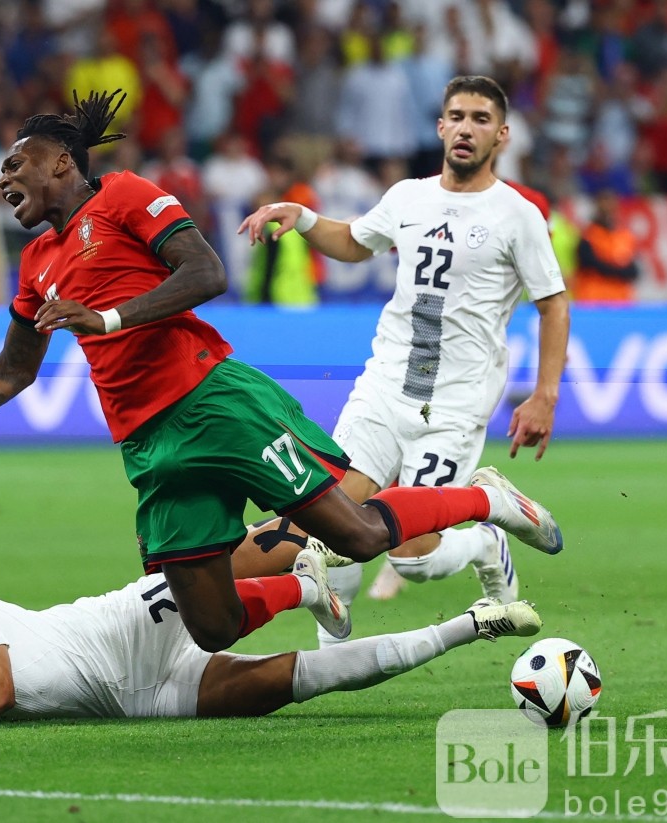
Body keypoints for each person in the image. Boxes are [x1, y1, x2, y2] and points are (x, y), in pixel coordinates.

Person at [0, 89, 562, 656]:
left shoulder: (123, 196)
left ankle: (485, 501)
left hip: (214, 402)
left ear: (61, 163)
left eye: (17, 164)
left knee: (358, 536)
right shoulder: (36, 263)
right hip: (148, 445)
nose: (3, 177)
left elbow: (206, 271)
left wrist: (108, 319)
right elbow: (15, 370)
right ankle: (306, 589)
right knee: (212, 626)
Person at [237, 76, 570, 645]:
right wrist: (304, 217)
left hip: (455, 404)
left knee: (412, 557)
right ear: (440, 127)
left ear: (502, 135)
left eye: (481, 119)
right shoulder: (408, 197)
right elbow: (355, 242)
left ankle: (487, 535)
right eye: (457, 116)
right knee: (331, 515)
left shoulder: (517, 215)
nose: (466, 128)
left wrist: (545, 395)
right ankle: (332, 660)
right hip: (385, 386)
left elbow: (553, 305)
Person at [0, 564, 543, 727]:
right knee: (315, 678)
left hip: (125, 628)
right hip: (143, 699)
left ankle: (310, 574)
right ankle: (475, 623)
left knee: (229, 569)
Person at [570, 188, 640, 304]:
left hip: (621, 301)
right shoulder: (588, 235)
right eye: (604, 207)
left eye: (611, 207)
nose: (608, 211)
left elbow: (634, 270)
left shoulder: (625, 236)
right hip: (594, 300)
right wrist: (620, 270)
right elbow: (589, 263)